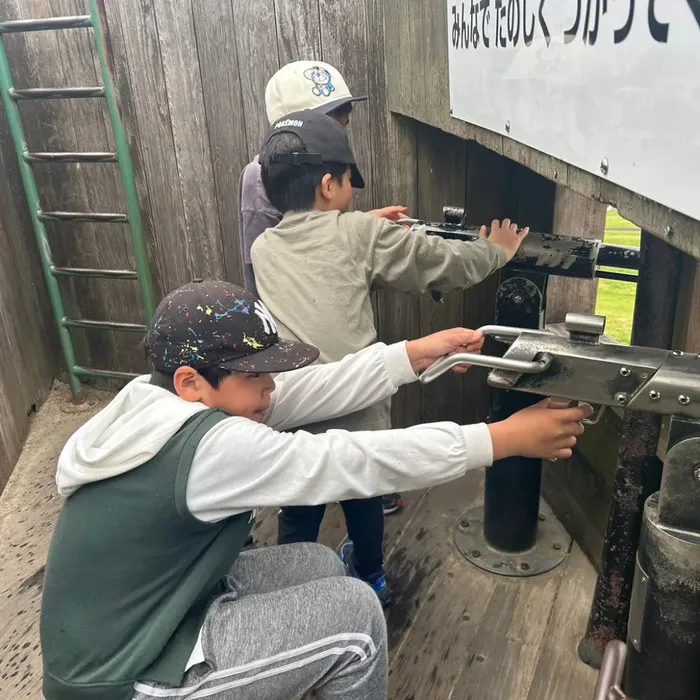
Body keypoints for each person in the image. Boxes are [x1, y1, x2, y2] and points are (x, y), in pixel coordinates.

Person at [40, 280, 591, 700]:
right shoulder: (212, 448)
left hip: (155, 612)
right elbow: (345, 461)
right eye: (255, 378)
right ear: (192, 383)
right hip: (119, 677)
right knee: (356, 620)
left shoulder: (154, 398)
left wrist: (410, 355)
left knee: (318, 564)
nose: (270, 389)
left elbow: (305, 390)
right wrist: (498, 440)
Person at [251, 110, 531, 605]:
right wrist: (496, 252)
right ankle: (371, 578)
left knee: (298, 508)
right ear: (327, 185)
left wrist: (358, 226)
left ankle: (291, 593)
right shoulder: (360, 233)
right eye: (347, 183)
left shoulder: (264, 249)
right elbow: (437, 260)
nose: (353, 194)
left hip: (293, 412)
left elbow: (319, 260)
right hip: (358, 408)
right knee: (364, 496)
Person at [239, 59, 406, 518]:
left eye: (342, 120)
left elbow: (313, 231)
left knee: (354, 434)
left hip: (328, 314)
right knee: (307, 456)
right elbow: (265, 254)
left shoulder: (315, 165)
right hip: (293, 328)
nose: (340, 130)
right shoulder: (260, 178)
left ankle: (365, 490)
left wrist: (364, 224)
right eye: (330, 120)